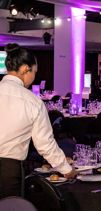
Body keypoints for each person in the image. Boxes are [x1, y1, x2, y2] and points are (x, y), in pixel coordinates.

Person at [0, 43, 76, 199]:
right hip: (8, 171)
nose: (34, 76)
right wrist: (66, 169)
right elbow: (45, 144)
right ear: (25, 69)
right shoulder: (32, 101)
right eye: (34, 71)